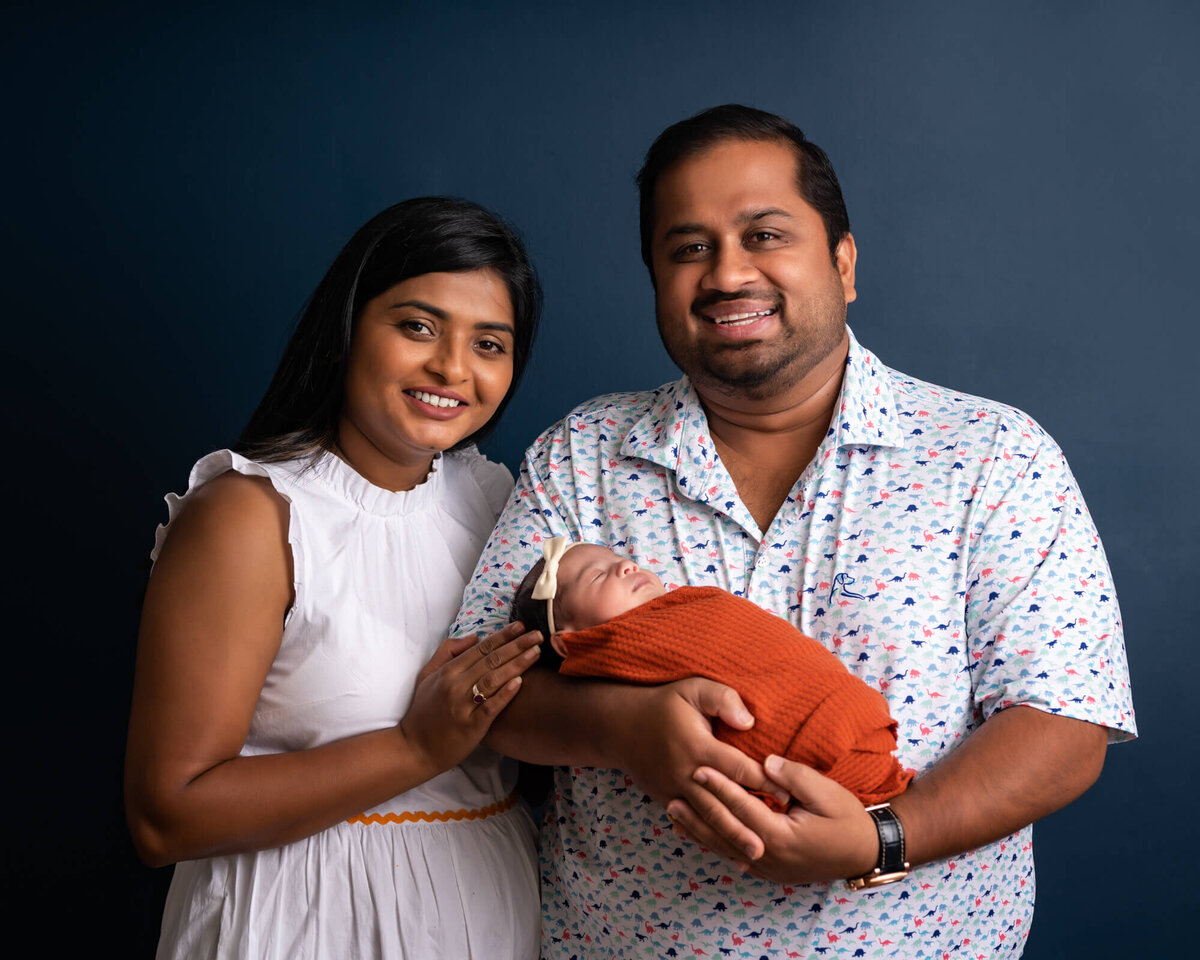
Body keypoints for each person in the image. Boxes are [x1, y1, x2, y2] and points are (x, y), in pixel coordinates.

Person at [455, 106, 1135, 958]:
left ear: (844, 264)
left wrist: (882, 837)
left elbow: (1065, 724)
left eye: (764, 234)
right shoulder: (583, 453)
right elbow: (474, 692)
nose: (727, 273)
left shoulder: (992, 455)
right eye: (688, 247)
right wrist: (624, 729)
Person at [125, 197, 545, 959]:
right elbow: (165, 816)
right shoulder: (254, 517)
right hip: (303, 923)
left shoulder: (497, 502)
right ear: (349, 326)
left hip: (488, 914)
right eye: (417, 326)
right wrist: (416, 748)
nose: (453, 368)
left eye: (489, 342)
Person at [510, 537, 912, 810]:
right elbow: (491, 695)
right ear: (569, 640)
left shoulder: (690, 606)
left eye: (619, 559)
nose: (627, 566)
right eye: (598, 575)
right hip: (804, 756)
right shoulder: (612, 653)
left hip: (846, 708)